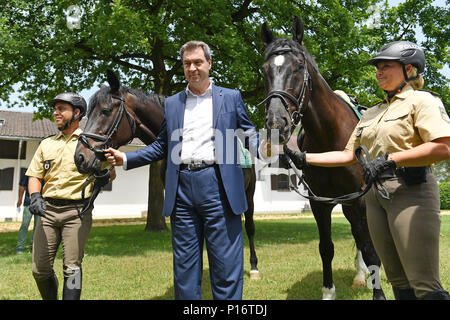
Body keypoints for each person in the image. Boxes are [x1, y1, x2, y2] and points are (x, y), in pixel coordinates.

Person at [283, 40, 450, 300]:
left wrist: (391, 159)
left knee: (424, 282)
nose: (378, 72)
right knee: (397, 279)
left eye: (386, 66)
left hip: (410, 192)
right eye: (377, 67)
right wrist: (305, 158)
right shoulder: (371, 113)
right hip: (374, 197)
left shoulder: (422, 101)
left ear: (409, 69)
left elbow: (443, 147)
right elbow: (348, 155)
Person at [105, 40, 269, 300]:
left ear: (209, 63)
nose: (192, 68)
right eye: (187, 64)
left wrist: (265, 147)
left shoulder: (231, 96)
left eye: (198, 62)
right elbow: (162, 146)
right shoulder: (173, 103)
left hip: (219, 187)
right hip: (181, 190)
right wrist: (125, 160)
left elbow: (248, 132)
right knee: (184, 272)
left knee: (226, 268)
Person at [26, 92, 113, 300]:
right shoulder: (46, 144)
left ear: (76, 113)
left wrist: (103, 173)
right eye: (55, 109)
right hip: (47, 212)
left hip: (77, 213)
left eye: (61, 109)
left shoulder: (90, 143)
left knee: (72, 268)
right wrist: (35, 196)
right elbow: (34, 176)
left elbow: (110, 173)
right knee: (40, 269)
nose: (56, 113)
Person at [16, 174, 36, 254]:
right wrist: (20, 200)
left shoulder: (46, 171)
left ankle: (33, 247)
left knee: (37, 227)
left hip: (41, 204)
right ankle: (20, 248)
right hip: (28, 203)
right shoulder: (28, 173)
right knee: (24, 225)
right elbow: (22, 186)